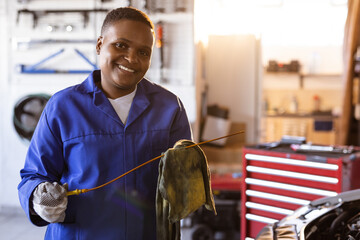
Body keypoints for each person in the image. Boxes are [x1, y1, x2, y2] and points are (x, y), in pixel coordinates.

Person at [17, 7, 192, 240]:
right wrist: (39, 197)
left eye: (143, 52)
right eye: (121, 45)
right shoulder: (63, 107)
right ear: (100, 45)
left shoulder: (170, 108)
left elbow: (184, 181)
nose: (131, 58)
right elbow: (33, 175)